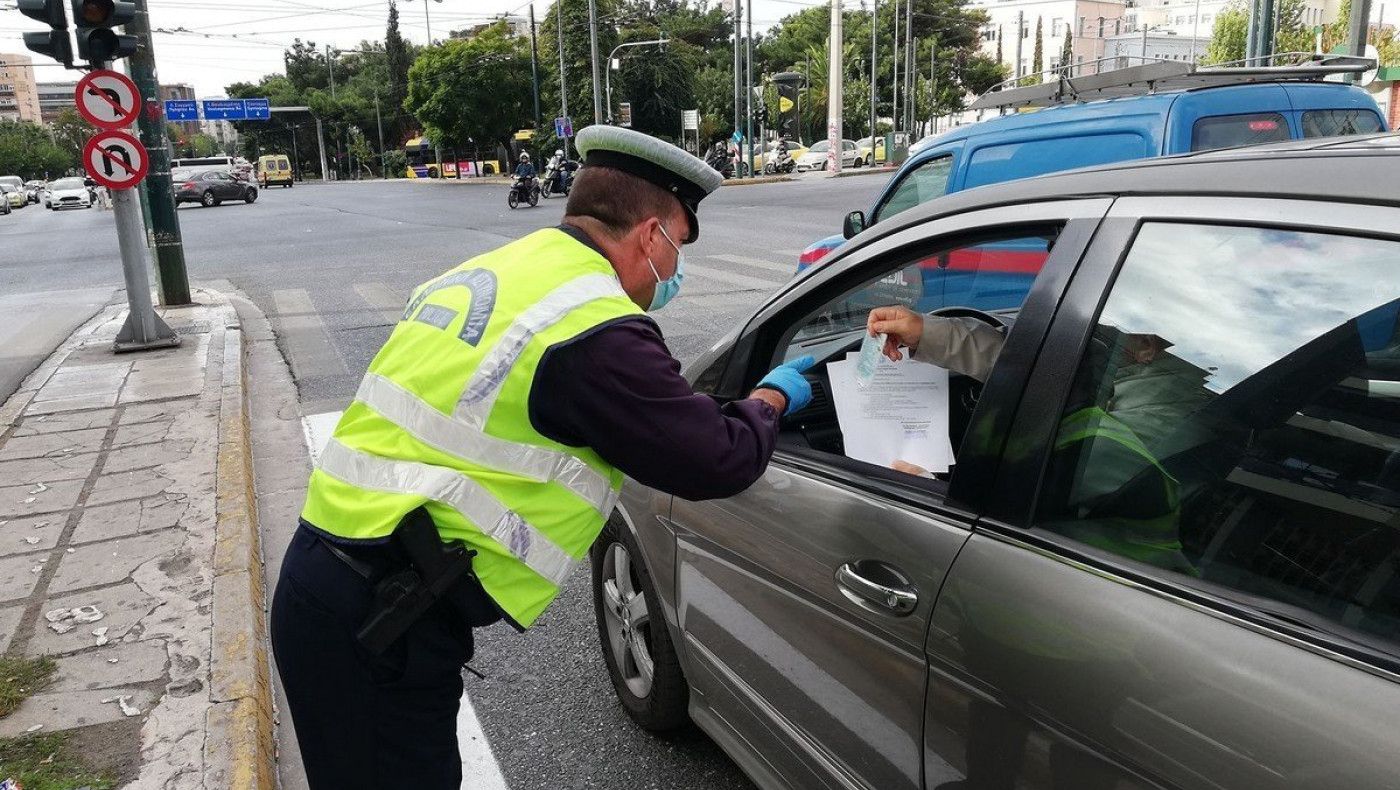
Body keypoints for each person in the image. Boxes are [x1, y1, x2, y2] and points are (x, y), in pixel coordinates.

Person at [270, 125, 815, 790]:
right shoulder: (593, 324)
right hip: (380, 624)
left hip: (337, 586)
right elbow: (714, 458)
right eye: (679, 249)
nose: (675, 273)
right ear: (651, 235)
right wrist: (770, 399)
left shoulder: (505, 270)